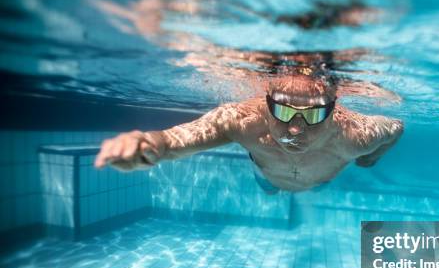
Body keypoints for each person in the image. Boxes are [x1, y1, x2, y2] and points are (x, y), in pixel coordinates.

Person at [94, 73, 404, 193]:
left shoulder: (355, 136)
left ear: (333, 108)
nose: (296, 127)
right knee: (268, 188)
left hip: (320, 182)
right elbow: (179, 139)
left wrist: (371, 159)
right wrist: (148, 145)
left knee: (316, 189)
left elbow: (396, 128)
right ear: (267, 104)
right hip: (265, 175)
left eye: (313, 114)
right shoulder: (240, 120)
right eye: (282, 111)